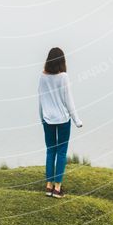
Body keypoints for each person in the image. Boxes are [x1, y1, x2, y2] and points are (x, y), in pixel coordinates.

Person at [38, 46, 82, 198]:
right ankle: (57, 189)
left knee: (50, 151)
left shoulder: (42, 76)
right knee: (61, 152)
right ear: (62, 61)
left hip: (47, 119)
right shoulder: (63, 77)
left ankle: (48, 186)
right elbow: (68, 100)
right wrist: (77, 120)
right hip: (63, 119)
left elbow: (41, 99)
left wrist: (41, 117)